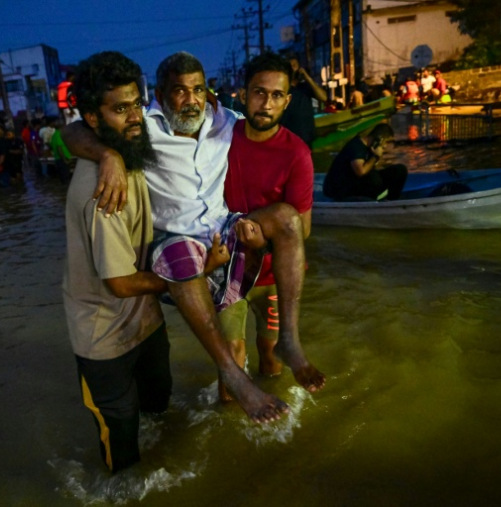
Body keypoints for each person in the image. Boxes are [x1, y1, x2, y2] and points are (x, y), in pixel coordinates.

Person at [63, 51, 326, 424]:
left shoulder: (225, 119)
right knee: (182, 258)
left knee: (286, 218)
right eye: (180, 91)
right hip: (175, 240)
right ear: (159, 94)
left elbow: (261, 132)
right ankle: (232, 374)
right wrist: (108, 156)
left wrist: (257, 239)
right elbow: (70, 132)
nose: (192, 100)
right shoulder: (143, 128)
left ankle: (290, 339)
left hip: (224, 228)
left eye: (198, 89)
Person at [63, 51, 179, 473]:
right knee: (122, 450)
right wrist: (186, 277)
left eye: (136, 103)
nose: (134, 117)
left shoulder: (126, 150)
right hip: (104, 336)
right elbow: (120, 283)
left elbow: (71, 133)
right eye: (120, 108)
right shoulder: (103, 193)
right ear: (94, 117)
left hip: (144, 321)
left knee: (160, 407)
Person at [219, 53, 315, 401]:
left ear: (287, 102)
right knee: (230, 356)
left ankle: (272, 424)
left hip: (274, 273)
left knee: (271, 357)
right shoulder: (219, 140)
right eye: (259, 93)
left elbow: (301, 229)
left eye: (277, 95)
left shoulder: (296, 154)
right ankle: (227, 428)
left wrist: (261, 238)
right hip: (227, 267)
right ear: (242, 96)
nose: (266, 103)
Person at [323, 123, 408, 201]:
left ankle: (391, 202)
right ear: (380, 139)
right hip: (342, 187)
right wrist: (375, 156)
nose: (385, 146)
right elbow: (360, 172)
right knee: (374, 180)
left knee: (399, 170)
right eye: (385, 142)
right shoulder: (356, 147)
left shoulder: (370, 148)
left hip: (357, 182)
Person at [279, 51, 328, 148]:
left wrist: (307, 78)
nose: (293, 68)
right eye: (290, 66)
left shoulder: (305, 87)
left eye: (295, 65)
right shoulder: (282, 89)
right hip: (288, 140)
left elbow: (324, 97)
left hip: (306, 139)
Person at [50, 117, 74, 183]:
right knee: (66, 179)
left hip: (58, 159)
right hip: (62, 160)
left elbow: (52, 147)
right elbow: (59, 148)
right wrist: (65, 160)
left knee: (63, 179)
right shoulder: (59, 135)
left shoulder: (54, 135)